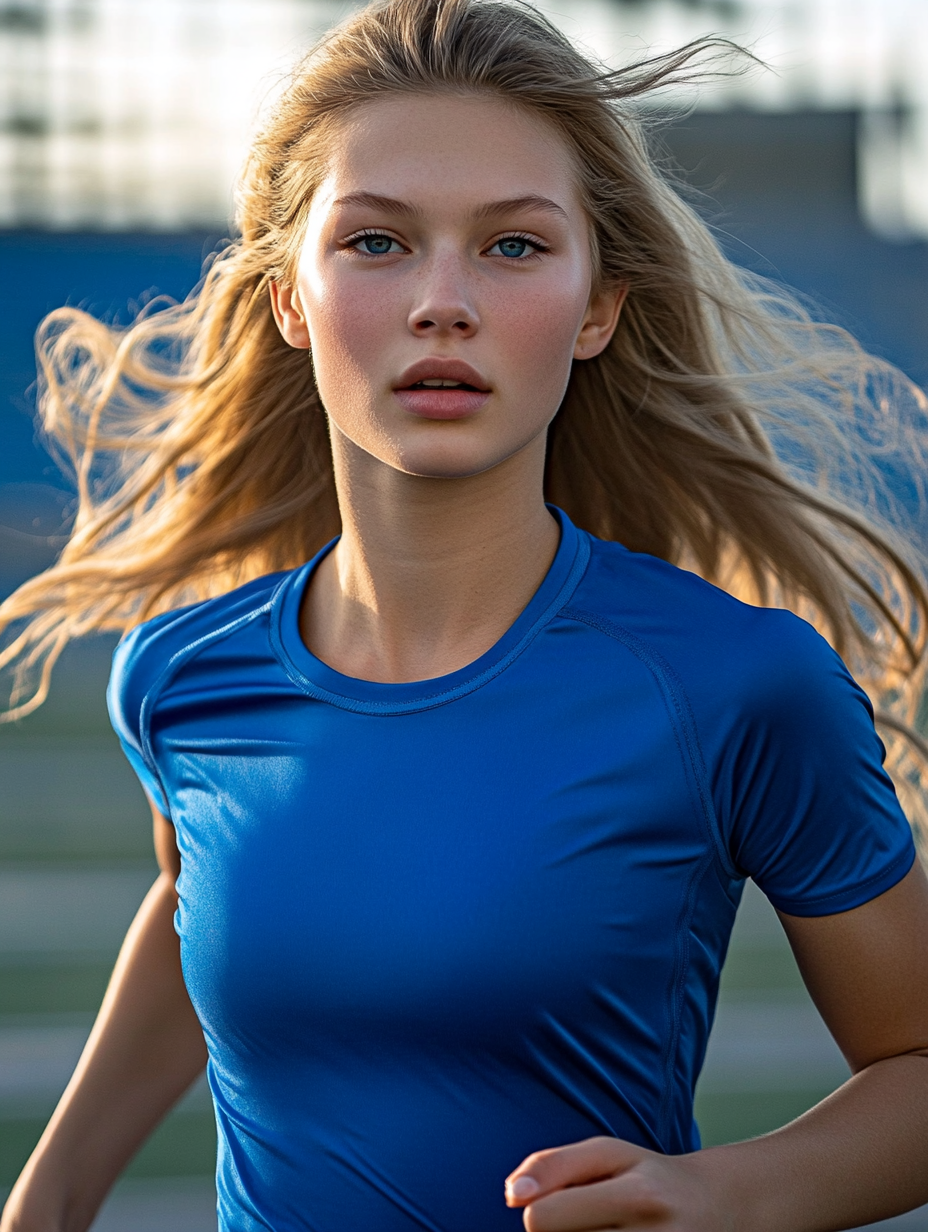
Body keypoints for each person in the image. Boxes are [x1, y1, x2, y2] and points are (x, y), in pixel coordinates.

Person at [2, 0, 928, 1227]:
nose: (444, 301)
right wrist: (49, 1196)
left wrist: (730, 1191)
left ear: (596, 307)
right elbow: (205, 900)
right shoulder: (183, 676)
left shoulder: (734, 683)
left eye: (513, 247)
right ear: (292, 299)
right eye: (378, 243)